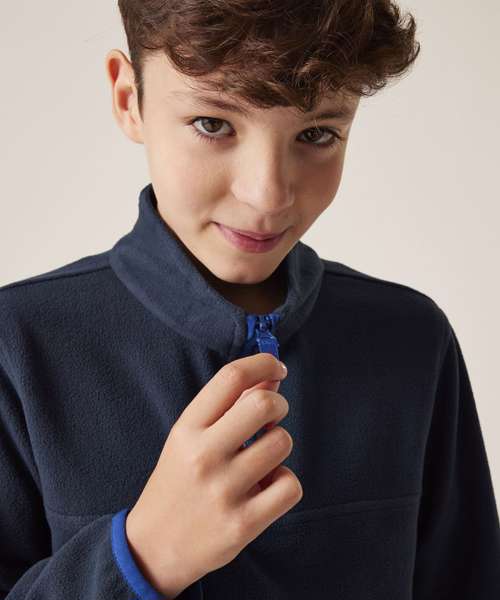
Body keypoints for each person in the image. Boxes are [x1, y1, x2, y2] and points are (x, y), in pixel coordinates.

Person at [1, 1, 499, 598]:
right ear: (129, 98)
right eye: (213, 124)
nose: (267, 195)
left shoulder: (413, 339)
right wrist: (142, 556)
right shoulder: (17, 347)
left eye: (316, 134)